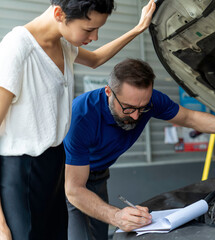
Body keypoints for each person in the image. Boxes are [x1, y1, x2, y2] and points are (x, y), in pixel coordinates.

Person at [0, 0, 156, 239]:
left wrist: (137, 29)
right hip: (22, 173)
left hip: (54, 164)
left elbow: (95, 59)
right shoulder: (16, 49)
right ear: (59, 14)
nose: (94, 37)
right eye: (88, 29)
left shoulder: (63, 45)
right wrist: (1, 225)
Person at [64, 58, 215, 239]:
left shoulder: (151, 102)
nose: (136, 116)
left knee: (99, 234)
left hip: (99, 173)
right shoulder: (81, 116)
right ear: (108, 91)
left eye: (142, 108)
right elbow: (74, 189)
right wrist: (116, 215)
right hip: (67, 176)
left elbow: (189, 118)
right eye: (128, 108)